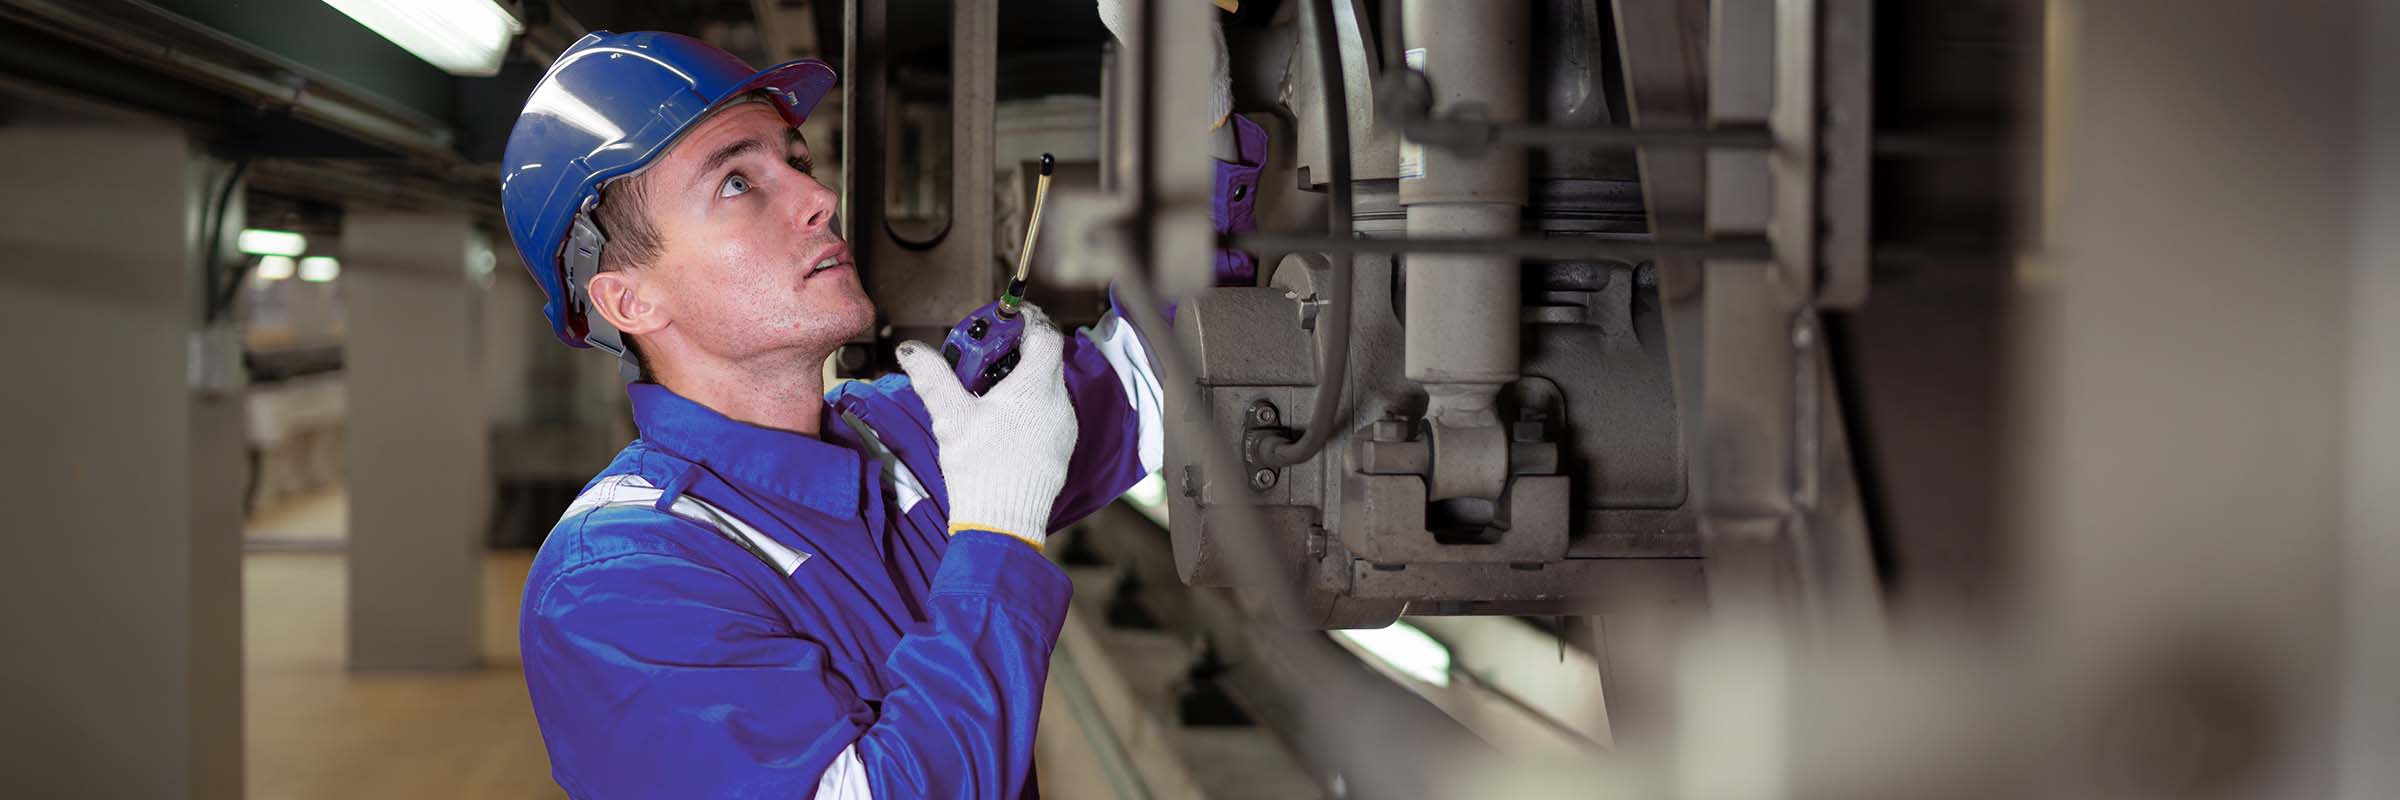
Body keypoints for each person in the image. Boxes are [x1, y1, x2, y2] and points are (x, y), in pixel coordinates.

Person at [498, 31, 1169, 798]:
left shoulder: (906, 433)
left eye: (797, 161)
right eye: (737, 185)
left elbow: (1162, 379)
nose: (819, 199)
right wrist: (998, 531)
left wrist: (1209, 123)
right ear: (630, 299)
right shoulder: (616, 584)